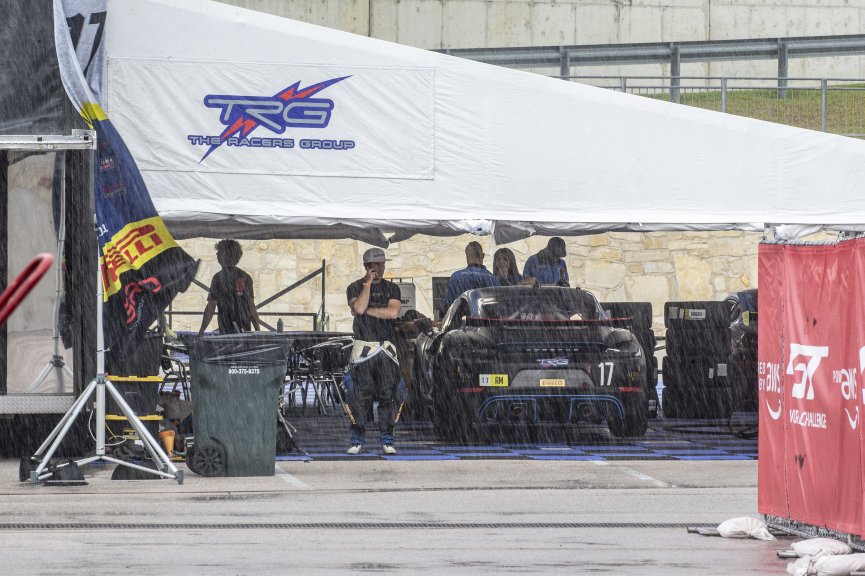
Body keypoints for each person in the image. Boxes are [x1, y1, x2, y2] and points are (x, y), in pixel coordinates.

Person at [345, 247, 402, 455]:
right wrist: (367, 285)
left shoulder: (392, 289)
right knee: (361, 396)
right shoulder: (354, 287)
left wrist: (367, 311)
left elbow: (393, 313)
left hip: (386, 349)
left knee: (388, 395)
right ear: (367, 266)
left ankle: (387, 438)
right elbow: (358, 307)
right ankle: (357, 438)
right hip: (363, 349)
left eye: (382, 264)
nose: (380, 268)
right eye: (376, 264)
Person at [198, 239, 260, 335]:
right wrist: (258, 331)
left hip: (226, 329)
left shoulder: (218, 278)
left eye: (219, 252)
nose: (217, 255)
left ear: (225, 254)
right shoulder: (245, 277)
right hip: (244, 328)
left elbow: (211, 307)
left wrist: (201, 331)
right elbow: (251, 307)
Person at [443, 241, 500, 308]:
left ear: (467, 257)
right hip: (486, 318)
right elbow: (498, 305)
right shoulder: (493, 279)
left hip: (463, 317)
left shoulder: (456, 277)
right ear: (483, 256)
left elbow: (448, 303)